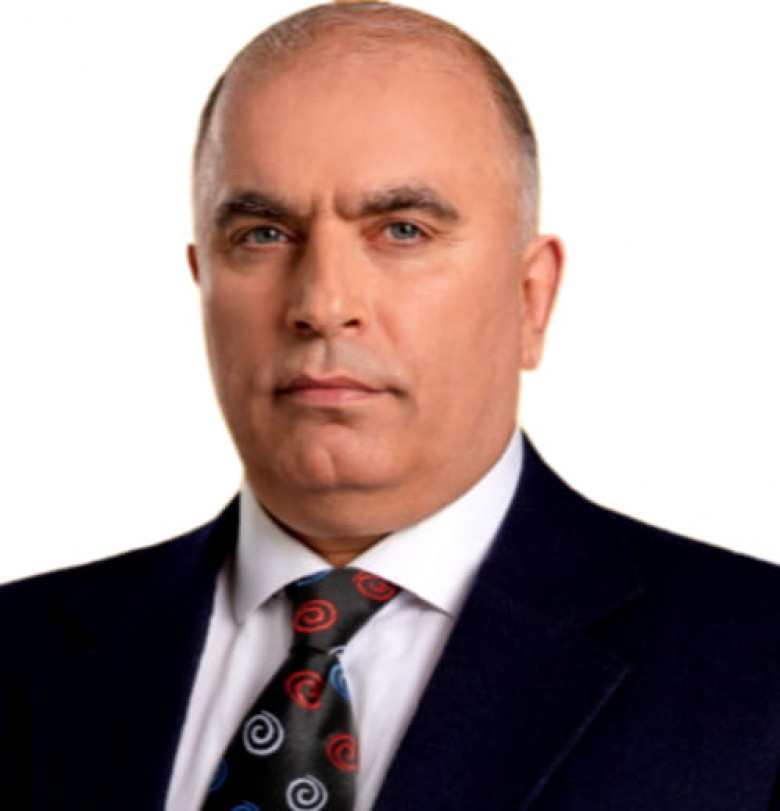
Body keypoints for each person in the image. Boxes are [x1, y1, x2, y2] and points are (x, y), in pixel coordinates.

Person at [2, 3, 780, 809]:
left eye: (402, 230)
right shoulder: (17, 649)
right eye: (264, 234)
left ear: (530, 297)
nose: (322, 303)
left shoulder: (757, 667)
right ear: (203, 283)